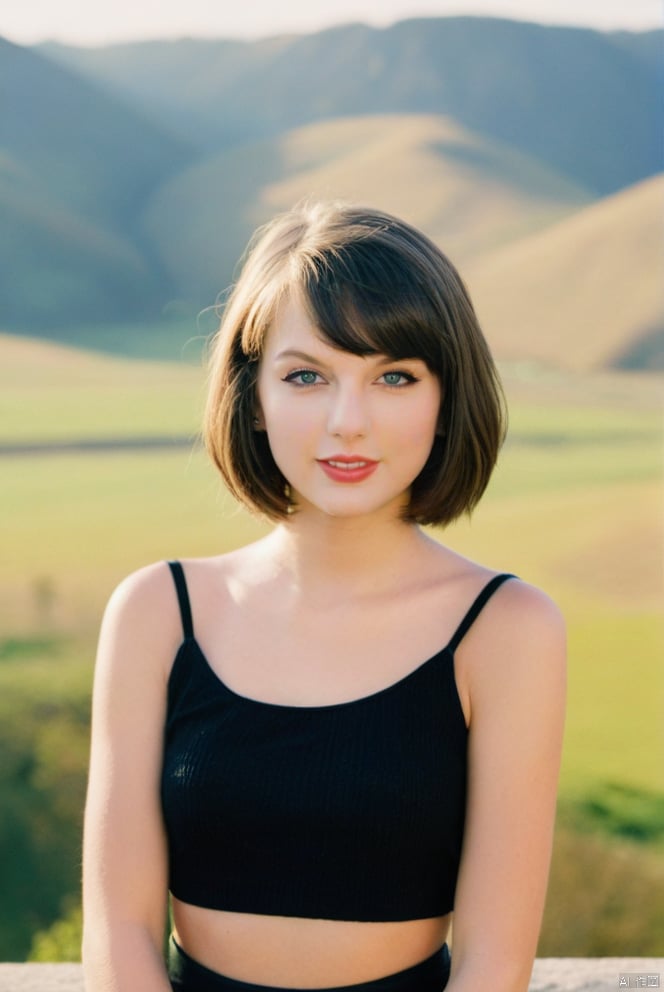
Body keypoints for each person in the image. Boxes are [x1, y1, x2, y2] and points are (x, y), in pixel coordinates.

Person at [82, 201, 566, 992]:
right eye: (306, 375)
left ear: (447, 400)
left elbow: (494, 962)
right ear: (253, 393)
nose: (348, 422)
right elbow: (119, 934)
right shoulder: (157, 612)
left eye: (394, 377)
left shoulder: (508, 629)